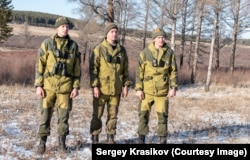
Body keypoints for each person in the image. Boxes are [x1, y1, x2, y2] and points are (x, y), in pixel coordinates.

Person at [34, 16, 81, 154]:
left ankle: (62, 144)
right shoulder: (47, 44)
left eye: (67, 26)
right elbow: (39, 65)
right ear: (57, 28)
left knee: (64, 117)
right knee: (45, 116)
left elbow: (77, 69)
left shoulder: (73, 46)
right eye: (62, 26)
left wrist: (76, 86)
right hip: (48, 87)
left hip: (66, 88)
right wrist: (38, 85)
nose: (65, 29)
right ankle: (42, 143)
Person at [135, 27, 178, 144]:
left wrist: (173, 88)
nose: (161, 40)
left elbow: (173, 71)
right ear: (154, 39)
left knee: (163, 118)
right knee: (143, 116)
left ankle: (163, 141)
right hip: (147, 92)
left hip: (162, 92)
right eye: (159, 37)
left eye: (163, 37)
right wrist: (139, 89)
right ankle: (141, 141)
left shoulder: (169, 53)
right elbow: (139, 72)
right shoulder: (145, 53)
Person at [89, 22, 130, 144]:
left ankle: (110, 138)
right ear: (106, 34)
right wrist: (95, 86)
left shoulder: (121, 51)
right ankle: (95, 138)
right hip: (101, 89)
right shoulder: (99, 49)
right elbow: (93, 70)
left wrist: (125, 85)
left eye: (116, 32)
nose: (114, 34)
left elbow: (125, 70)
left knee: (113, 115)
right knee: (97, 114)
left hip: (116, 89)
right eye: (112, 32)